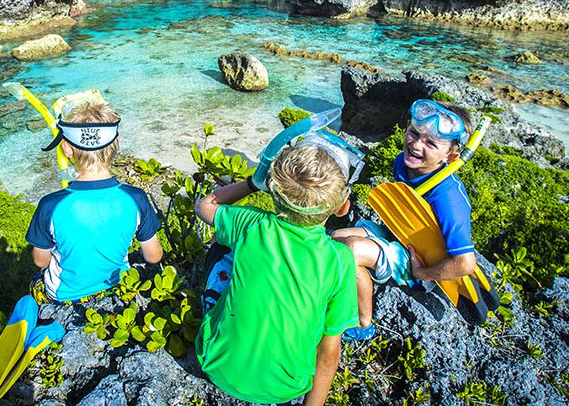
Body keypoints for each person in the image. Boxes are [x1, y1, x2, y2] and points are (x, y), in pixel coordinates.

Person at [194, 142, 358, 406]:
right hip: (286, 388)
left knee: (220, 250)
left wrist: (252, 182)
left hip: (216, 365)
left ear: (272, 188)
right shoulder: (340, 260)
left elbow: (205, 207)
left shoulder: (252, 223)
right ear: (342, 207)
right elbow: (330, 353)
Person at [332, 99, 477, 337]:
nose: (416, 145)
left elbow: (465, 263)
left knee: (351, 251)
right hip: (398, 235)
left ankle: (363, 324)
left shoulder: (448, 197)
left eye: (430, 143)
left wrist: (422, 273)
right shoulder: (403, 163)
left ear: (450, 156)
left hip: (423, 265)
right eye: (414, 133)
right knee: (336, 237)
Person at [26, 99, 163, 301]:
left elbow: (41, 261)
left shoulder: (51, 204)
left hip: (64, 294)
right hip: (121, 286)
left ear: (66, 149)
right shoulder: (136, 198)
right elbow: (153, 256)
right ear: (116, 143)